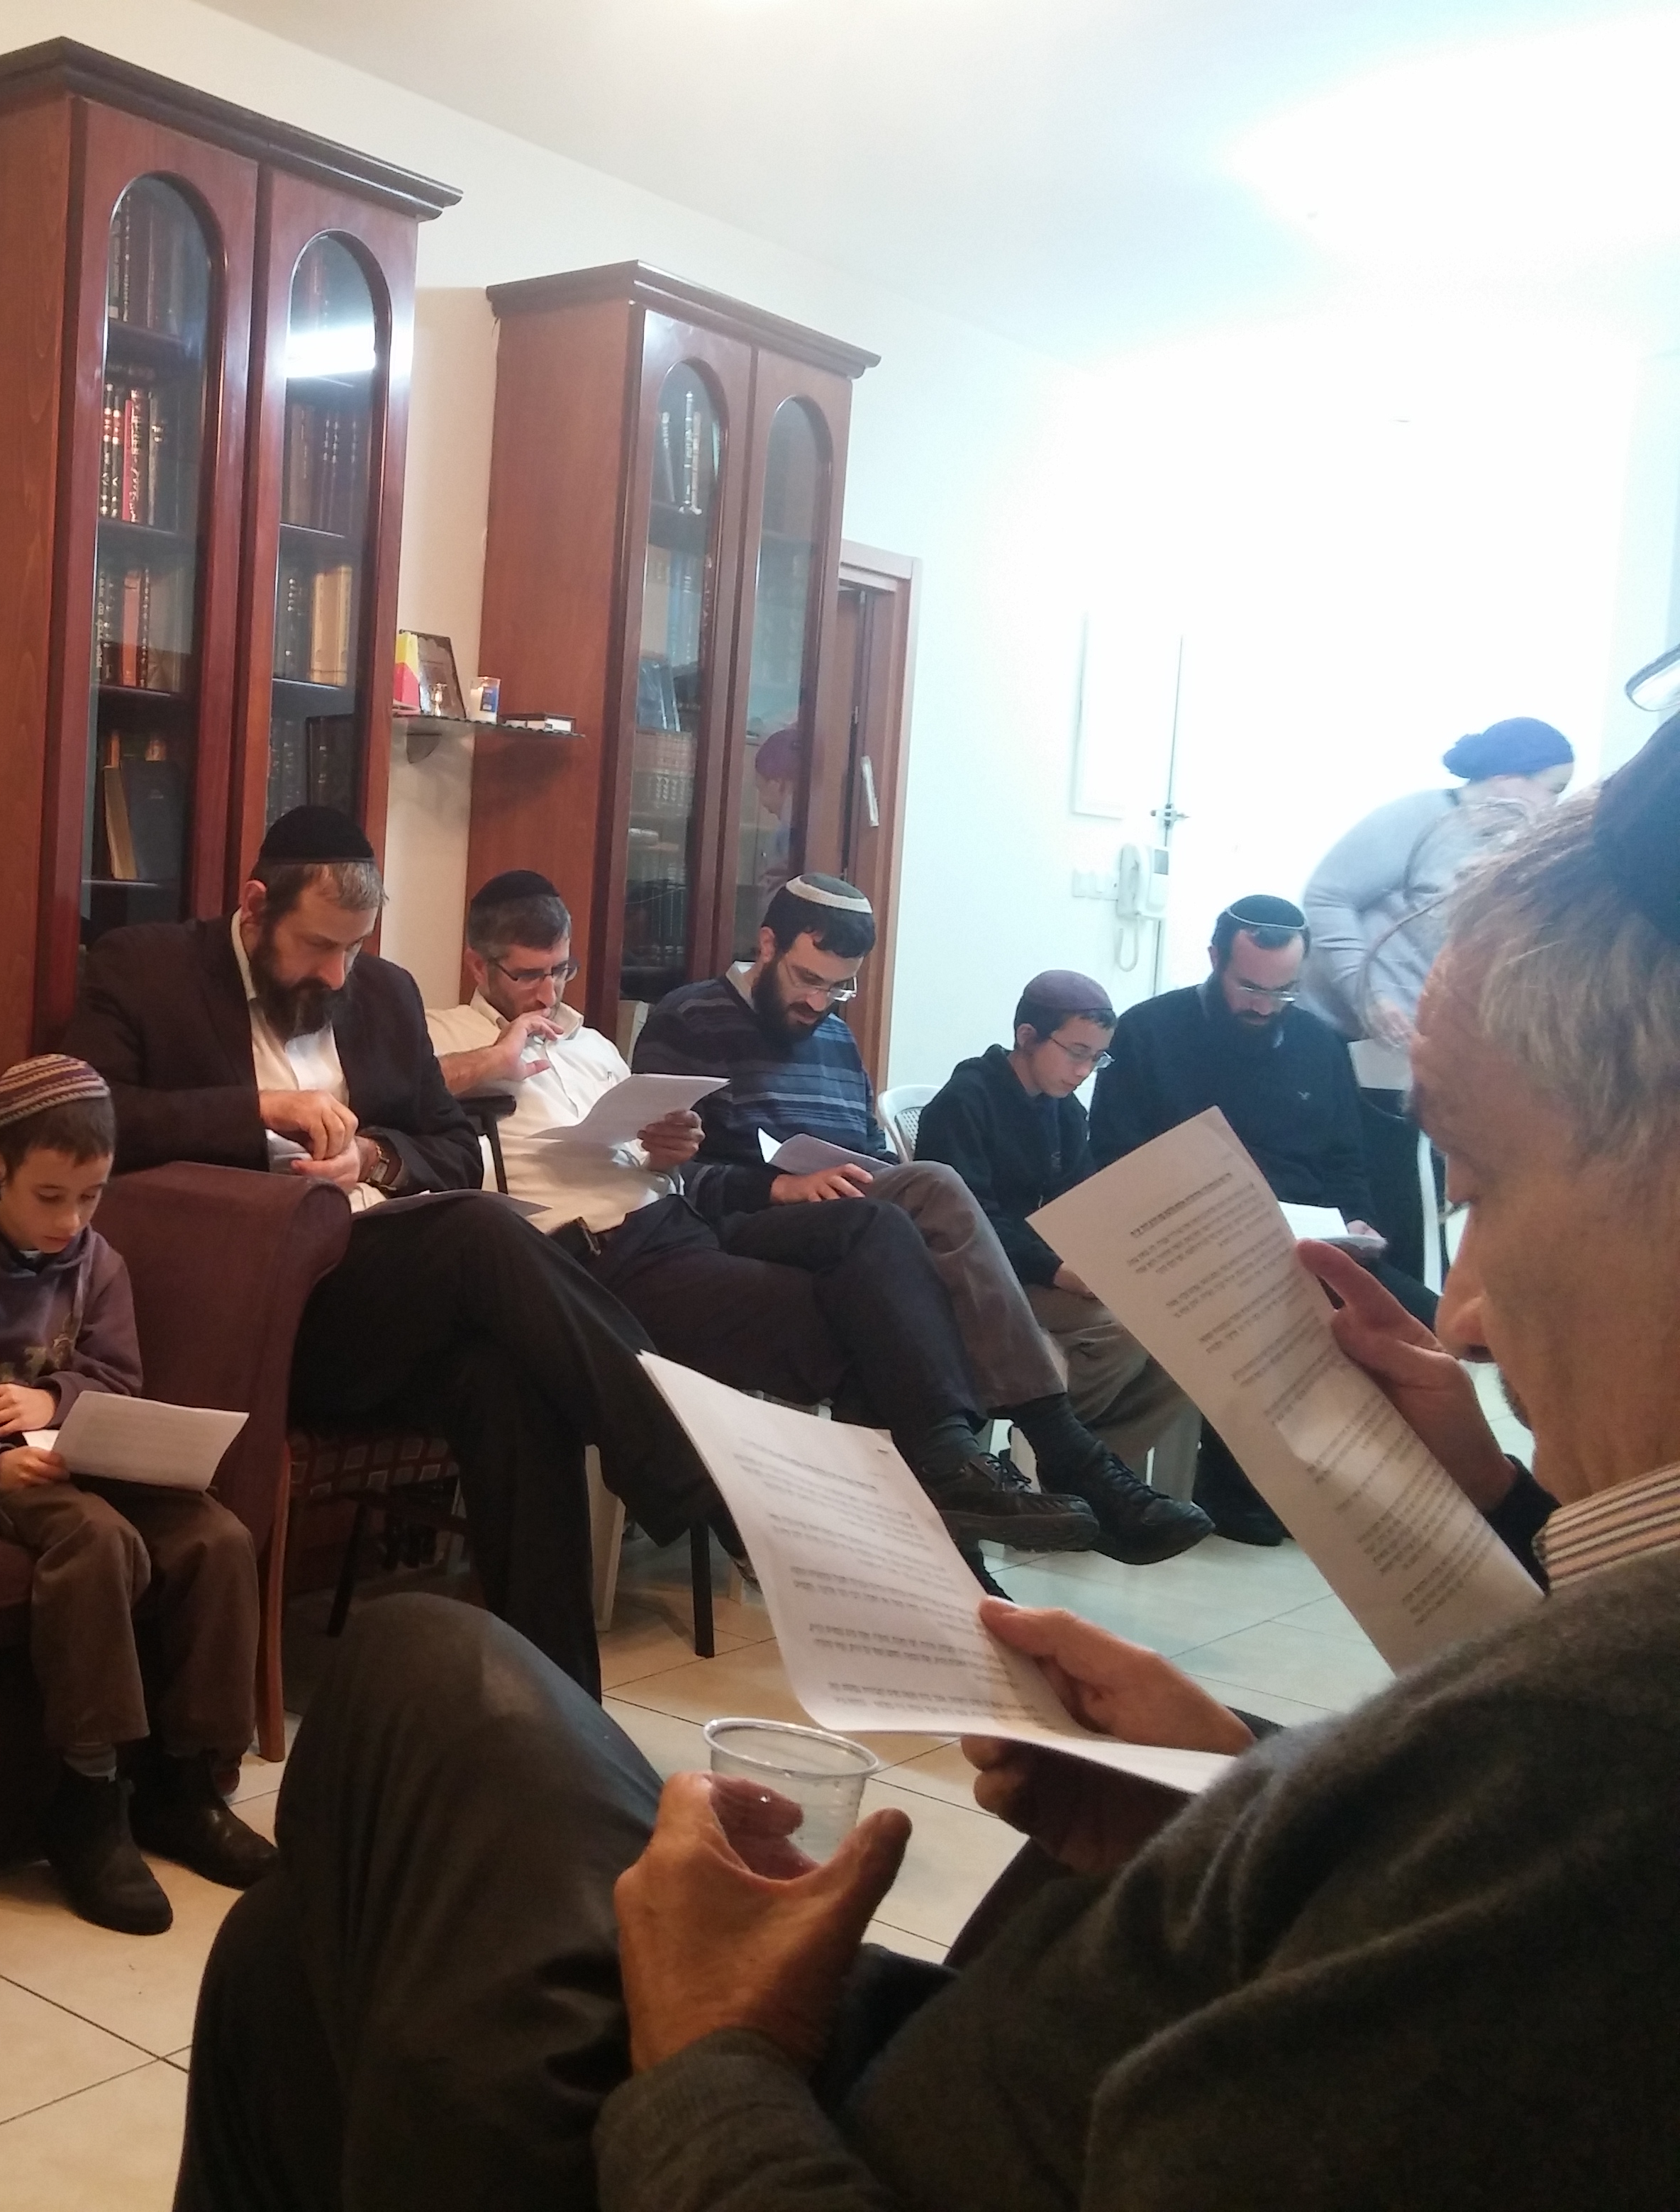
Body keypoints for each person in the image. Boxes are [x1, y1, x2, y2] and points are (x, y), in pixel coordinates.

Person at [175, 710, 1680, 2211]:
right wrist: (1226, 1788)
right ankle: (886, 1460)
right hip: (548, 1277)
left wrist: (712, 2050)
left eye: (1474, 1184)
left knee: (416, 1690)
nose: (1460, 1309)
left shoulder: (1577, 1782)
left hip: (789, 2130)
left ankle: (918, 1461)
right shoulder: (1567, 1741)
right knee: (290, 1945)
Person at [57, 805, 730, 1698]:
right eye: (317, 947)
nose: (336, 973)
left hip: (380, 1293)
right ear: (254, 907)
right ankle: (689, 1463)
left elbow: (450, 1143)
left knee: (508, 1382)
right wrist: (256, 1110)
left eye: (354, 948)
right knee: (479, 1231)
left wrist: (374, 1156)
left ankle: (558, 1708)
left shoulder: (382, 993)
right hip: (258, 1304)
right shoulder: (145, 968)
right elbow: (88, 1113)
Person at [428, 872, 1103, 1559]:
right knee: (882, 1302)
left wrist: (667, 1146)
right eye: (527, 976)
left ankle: (933, 1535)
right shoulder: (440, 1038)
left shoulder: (593, 1045)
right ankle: (938, 1513)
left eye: (561, 971)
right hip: (594, 1256)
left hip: (674, 1226)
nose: (548, 994)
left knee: (886, 1309)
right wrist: (495, 1058)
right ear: (478, 967)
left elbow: (662, 1162)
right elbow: (395, 1096)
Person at [632, 876, 1196, 1564]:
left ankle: (959, 1545)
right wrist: (779, 1186)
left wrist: (856, 1171)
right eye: (807, 979)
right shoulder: (688, 1018)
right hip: (740, 1223)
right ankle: (1063, 1450)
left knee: (910, 1251)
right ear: (768, 945)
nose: (819, 1002)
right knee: (931, 1187)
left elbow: (868, 1151)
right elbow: (659, 1169)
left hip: (845, 1221)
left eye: (839, 987)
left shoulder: (834, 1037)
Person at [0, 1054, 273, 1936]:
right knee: (96, 1540)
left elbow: (116, 1378)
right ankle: (88, 1799)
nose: (69, 1221)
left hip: (72, 1450)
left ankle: (188, 1782)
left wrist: (53, 1400)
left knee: (217, 1538)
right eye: (48, 1196)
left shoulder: (98, 1262)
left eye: (90, 1197)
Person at [909, 969, 1211, 1536]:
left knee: (1182, 1337)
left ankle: (1093, 1478)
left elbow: (1081, 1205)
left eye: (1097, 1058)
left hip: (1034, 1270)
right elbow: (971, 1224)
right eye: (1076, 1052)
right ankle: (1064, 1456)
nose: (1084, 1071)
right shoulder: (966, 1100)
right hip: (979, 1275)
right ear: (1027, 1036)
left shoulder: (1065, 1112)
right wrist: (1059, 1270)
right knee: (1122, 1333)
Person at [1301, 716, 1575, 1278]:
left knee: (1421, 1190)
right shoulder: (1419, 818)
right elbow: (1327, 896)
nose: (1554, 806)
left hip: (1422, 1040)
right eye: (1552, 789)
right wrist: (1369, 994)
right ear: (1507, 776)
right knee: (1398, 1187)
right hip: (1359, 1037)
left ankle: (1415, 1303)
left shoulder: (1513, 846)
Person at [1090, 893, 1441, 1328]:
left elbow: (1344, 1160)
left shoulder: (1319, 1044)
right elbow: (1113, 1159)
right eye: (1250, 988)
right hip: (1192, 1248)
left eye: (1284, 991)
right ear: (1215, 959)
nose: (1264, 1006)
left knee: (1434, 1325)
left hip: (1308, 1249)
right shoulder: (1147, 1032)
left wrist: (1357, 1222)